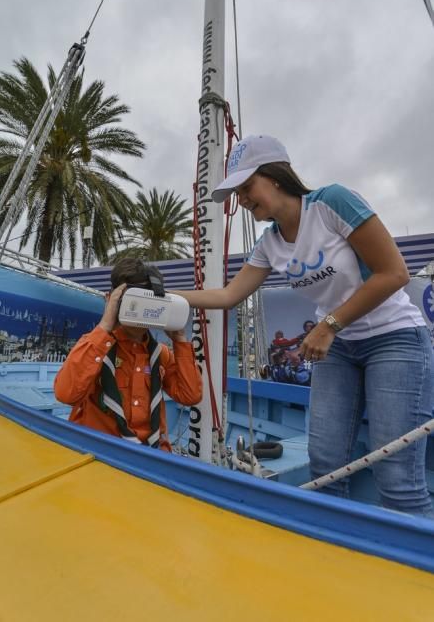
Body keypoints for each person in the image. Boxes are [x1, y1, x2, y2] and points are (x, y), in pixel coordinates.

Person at [175, 134, 434, 516]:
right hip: (340, 349)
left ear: (275, 176)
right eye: (238, 193)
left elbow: (394, 273)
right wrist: (163, 296)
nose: (242, 200)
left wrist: (329, 324)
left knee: (396, 476)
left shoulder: (331, 203)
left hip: (394, 338)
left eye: (247, 187)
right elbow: (228, 296)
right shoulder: (268, 245)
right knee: (326, 468)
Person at [55, 258, 202, 451]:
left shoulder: (160, 355)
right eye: (134, 301)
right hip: (99, 452)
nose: (141, 311)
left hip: (151, 454)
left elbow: (190, 395)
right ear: (112, 299)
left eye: (147, 302)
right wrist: (106, 325)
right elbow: (66, 394)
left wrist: (180, 340)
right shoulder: (96, 349)